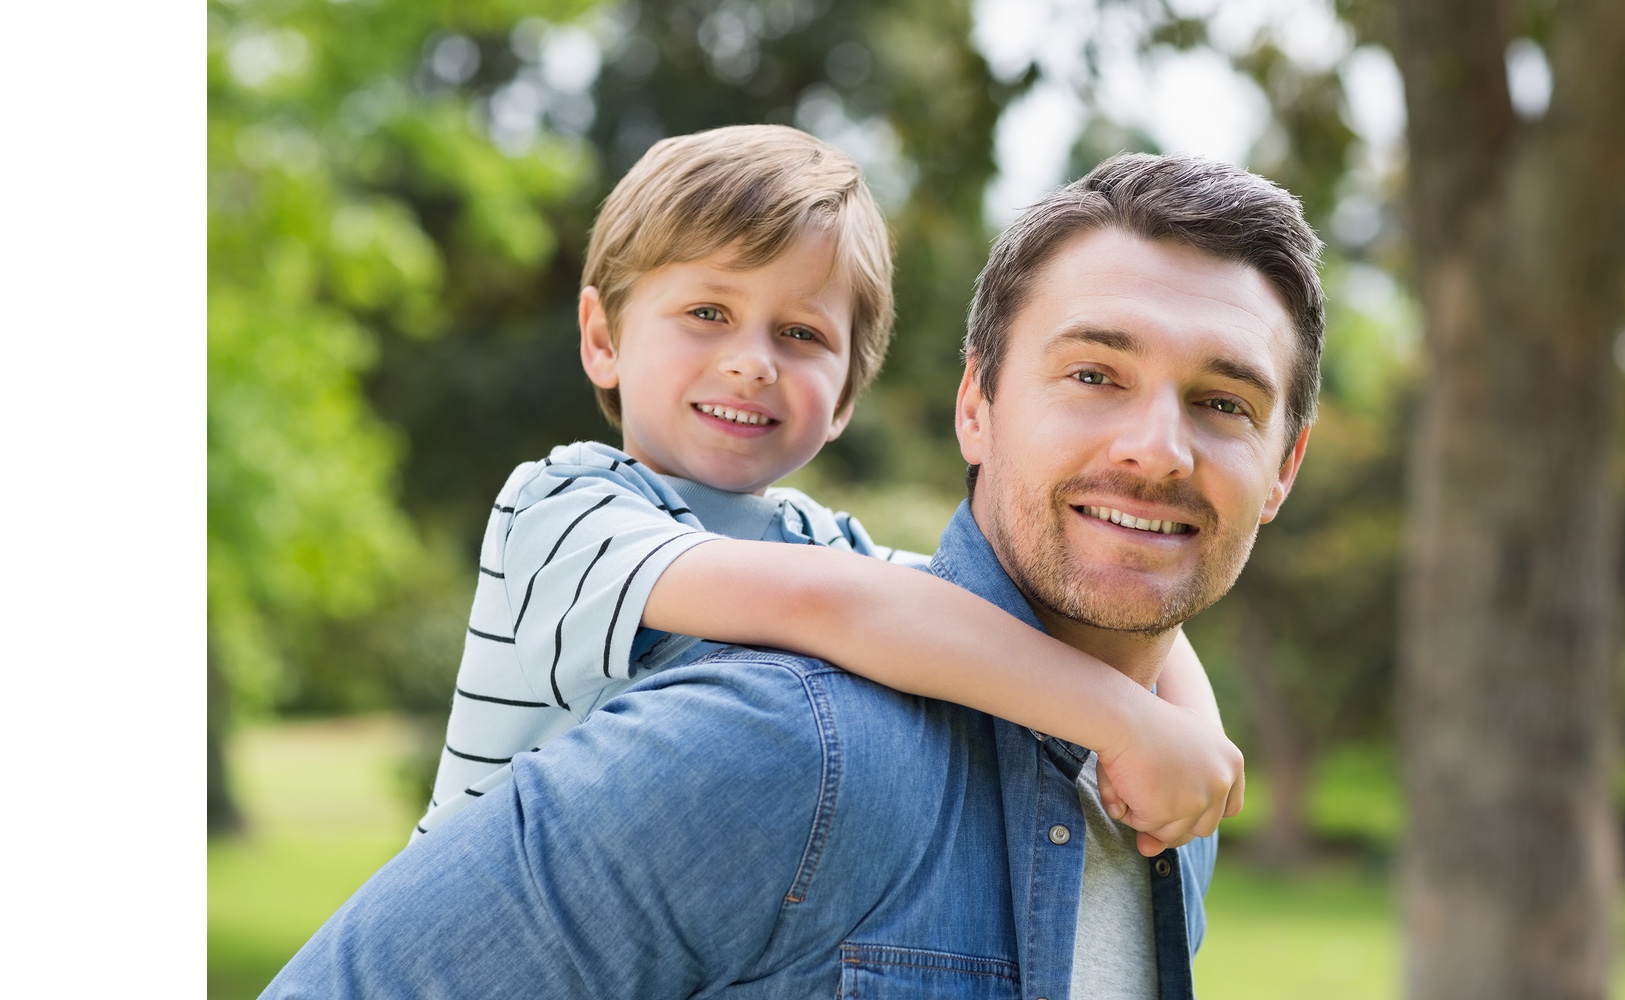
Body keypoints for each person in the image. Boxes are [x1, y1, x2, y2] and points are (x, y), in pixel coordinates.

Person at [262, 151, 1324, 1000]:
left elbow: (922, 604)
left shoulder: (1159, 818)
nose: (1157, 450)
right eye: (1092, 374)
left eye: (1222, 403)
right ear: (974, 406)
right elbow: (849, 609)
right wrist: (1133, 724)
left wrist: (1179, 735)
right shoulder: (581, 523)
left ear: (1282, 467)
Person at [415, 124, 1240, 854]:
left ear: (847, 392)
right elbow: (832, 606)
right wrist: (1127, 724)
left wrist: (1189, 730)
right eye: (707, 311)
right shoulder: (565, 511)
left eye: (802, 333)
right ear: (603, 338)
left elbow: (1028, 615)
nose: (752, 361)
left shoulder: (824, 546)